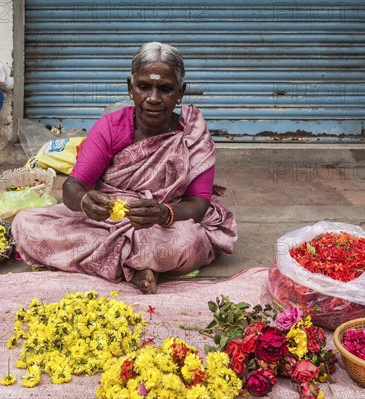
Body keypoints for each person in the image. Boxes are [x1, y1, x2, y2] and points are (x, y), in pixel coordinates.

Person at [12, 42, 237, 294]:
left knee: (189, 241)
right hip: (104, 222)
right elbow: (72, 188)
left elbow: (199, 202)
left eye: (165, 89)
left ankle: (118, 261)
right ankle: (138, 265)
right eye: (143, 87)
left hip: (164, 225)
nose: (153, 98)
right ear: (131, 88)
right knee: (25, 223)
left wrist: (164, 213)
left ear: (180, 93)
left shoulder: (192, 134)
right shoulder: (111, 126)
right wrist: (86, 201)